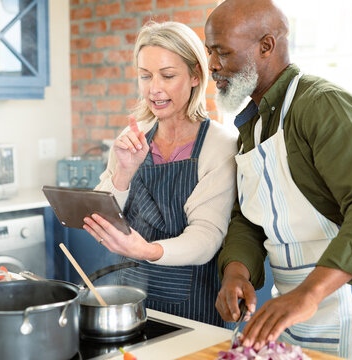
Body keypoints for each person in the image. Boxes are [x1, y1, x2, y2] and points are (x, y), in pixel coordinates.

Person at [204, 0, 352, 358]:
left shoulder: (323, 107)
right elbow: (249, 220)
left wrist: (309, 294)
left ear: (266, 46)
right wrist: (236, 272)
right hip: (292, 310)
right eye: (210, 52)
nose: (213, 65)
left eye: (222, 52)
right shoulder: (251, 126)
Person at [82, 21, 237, 327]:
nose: (154, 88)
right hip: (131, 301)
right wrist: (123, 173)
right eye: (145, 76)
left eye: (167, 75)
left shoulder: (220, 146)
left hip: (196, 307)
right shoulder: (133, 136)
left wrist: (146, 250)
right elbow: (101, 217)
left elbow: (206, 236)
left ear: (195, 75)